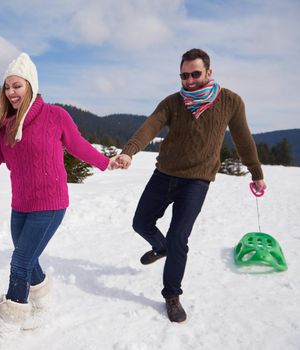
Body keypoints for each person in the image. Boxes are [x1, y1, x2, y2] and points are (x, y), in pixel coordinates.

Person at [0, 52, 119, 347]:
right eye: (7, 87)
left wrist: (105, 162)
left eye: (16, 86)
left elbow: (78, 145)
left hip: (51, 204)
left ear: (30, 85)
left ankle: (5, 330)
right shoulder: (5, 127)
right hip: (21, 206)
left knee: (19, 262)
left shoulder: (56, 116)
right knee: (28, 261)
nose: (10, 92)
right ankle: (42, 305)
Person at [112, 48, 266, 323]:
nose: (190, 81)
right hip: (165, 174)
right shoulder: (172, 102)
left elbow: (243, 139)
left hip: (196, 181)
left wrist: (256, 172)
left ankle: (172, 295)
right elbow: (151, 126)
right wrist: (129, 151)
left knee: (179, 237)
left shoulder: (230, 101)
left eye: (196, 74)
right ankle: (161, 248)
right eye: (184, 76)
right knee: (140, 223)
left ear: (209, 72)